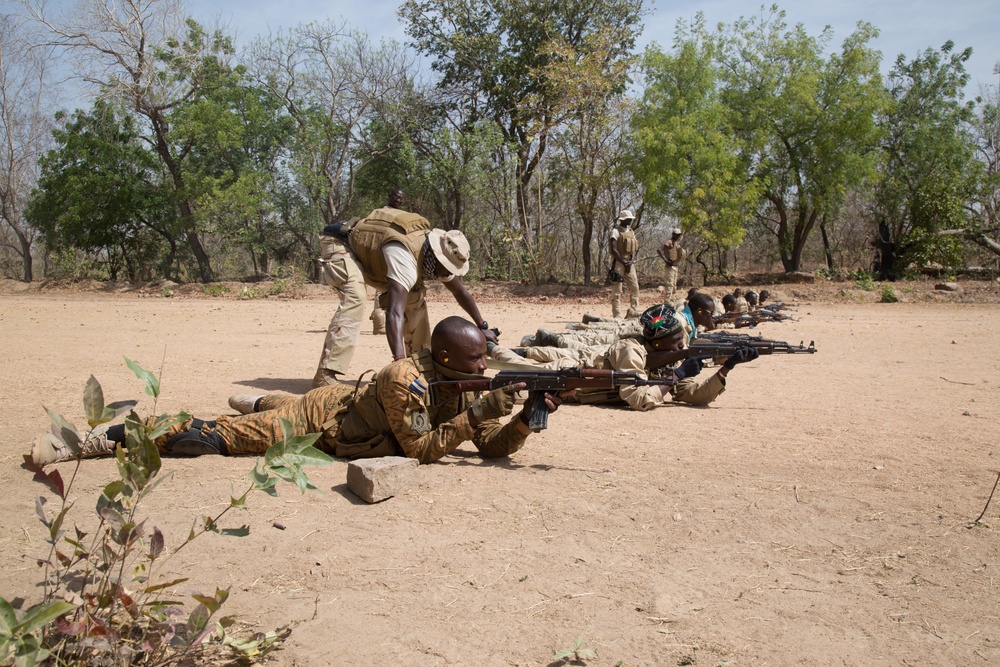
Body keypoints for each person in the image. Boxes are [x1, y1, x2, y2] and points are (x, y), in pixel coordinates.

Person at [32, 318, 562, 467]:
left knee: (263, 409)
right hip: (324, 423)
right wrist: (485, 409)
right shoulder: (407, 378)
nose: (483, 368)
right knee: (220, 438)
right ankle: (99, 440)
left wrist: (519, 421)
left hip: (354, 414)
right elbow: (421, 448)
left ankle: (260, 399)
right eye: (476, 361)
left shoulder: (460, 383)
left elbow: (489, 446)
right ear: (445, 358)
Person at [312, 187, 498, 387]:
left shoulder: (436, 253)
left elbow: (459, 291)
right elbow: (394, 313)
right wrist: (398, 361)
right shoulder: (406, 261)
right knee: (356, 296)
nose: (446, 274)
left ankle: (420, 368)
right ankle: (325, 374)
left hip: (375, 261)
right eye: (446, 269)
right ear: (435, 259)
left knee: (415, 297)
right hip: (342, 245)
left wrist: (482, 326)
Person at [487, 305, 758, 411]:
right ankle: (486, 345)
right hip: (570, 370)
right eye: (676, 343)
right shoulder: (632, 350)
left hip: (578, 375)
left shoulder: (664, 360)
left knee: (522, 363)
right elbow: (639, 399)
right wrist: (677, 373)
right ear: (659, 343)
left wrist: (725, 370)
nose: (681, 346)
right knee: (507, 365)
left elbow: (693, 395)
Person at [608, 209, 640, 319]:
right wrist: (623, 261)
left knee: (635, 287)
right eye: (629, 219)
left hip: (629, 263)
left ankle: (633, 312)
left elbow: (634, 248)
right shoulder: (615, 231)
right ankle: (617, 315)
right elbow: (613, 249)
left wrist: (630, 261)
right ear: (623, 219)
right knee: (617, 289)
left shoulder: (631, 231)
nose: (630, 221)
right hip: (618, 262)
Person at [657, 227, 687, 303]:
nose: (678, 236)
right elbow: (659, 250)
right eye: (676, 235)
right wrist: (665, 260)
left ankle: (672, 302)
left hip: (675, 266)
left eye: (679, 235)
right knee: (669, 286)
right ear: (673, 234)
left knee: (674, 286)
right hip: (669, 266)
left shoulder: (676, 244)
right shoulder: (669, 242)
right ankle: (667, 303)